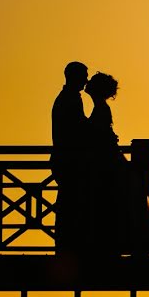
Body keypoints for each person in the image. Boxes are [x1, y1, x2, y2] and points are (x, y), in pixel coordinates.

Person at [84, 72, 149, 257]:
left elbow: (98, 137)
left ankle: (118, 243)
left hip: (107, 162)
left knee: (115, 202)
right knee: (120, 202)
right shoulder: (101, 108)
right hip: (110, 160)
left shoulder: (101, 108)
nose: (87, 84)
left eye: (92, 83)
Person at [50, 61, 91, 255]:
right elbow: (77, 128)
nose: (86, 80)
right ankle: (68, 245)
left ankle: (68, 244)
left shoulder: (69, 97)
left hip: (65, 158)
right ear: (74, 77)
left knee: (70, 201)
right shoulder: (70, 99)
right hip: (69, 160)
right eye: (84, 75)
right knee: (70, 202)